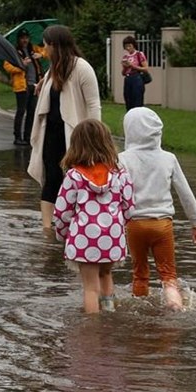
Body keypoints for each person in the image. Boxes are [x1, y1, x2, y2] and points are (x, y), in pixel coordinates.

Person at [119, 108, 196, 310]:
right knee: (168, 276)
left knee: (140, 274)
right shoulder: (169, 158)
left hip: (135, 224)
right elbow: (186, 194)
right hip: (163, 225)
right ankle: (175, 307)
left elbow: (115, 192)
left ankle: (138, 311)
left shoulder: (122, 158)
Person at [52, 120, 135, 314]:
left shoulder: (74, 176)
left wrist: (62, 235)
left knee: (90, 288)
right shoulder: (120, 174)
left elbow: (62, 212)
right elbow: (130, 208)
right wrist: (119, 225)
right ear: (107, 143)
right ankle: (109, 313)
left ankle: (92, 328)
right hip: (112, 237)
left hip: (85, 239)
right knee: (106, 275)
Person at [29, 24, 103, 231]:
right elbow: (53, 91)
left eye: (45, 46)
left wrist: (93, 137)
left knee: (74, 179)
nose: (43, 50)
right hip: (51, 135)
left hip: (74, 136)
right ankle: (47, 228)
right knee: (50, 177)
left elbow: (94, 104)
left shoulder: (82, 68)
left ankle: (75, 225)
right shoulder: (53, 69)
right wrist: (42, 85)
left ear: (55, 45)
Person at [3, 30, 44, 146]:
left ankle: (28, 136)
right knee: (21, 111)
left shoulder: (33, 49)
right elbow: (7, 66)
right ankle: (17, 137)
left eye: (26, 37)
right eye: (22, 38)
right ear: (18, 39)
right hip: (21, 86)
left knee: (31, 112)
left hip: (34, 85)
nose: (25, 40)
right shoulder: (14, 52)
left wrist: (40, 55)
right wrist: (21, 66)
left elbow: (47, 52)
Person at [120, 36, 150, 110]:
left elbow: (146, 69)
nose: (128, 48)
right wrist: (125, 67)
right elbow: (123, 73)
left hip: (137, 78)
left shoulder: (139, 54)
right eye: (126, 46)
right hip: (128, 78)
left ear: (133, 45)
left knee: (137, 101)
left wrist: (132, 66)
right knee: (128, 100)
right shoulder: (125, 57)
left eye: (129, 46)